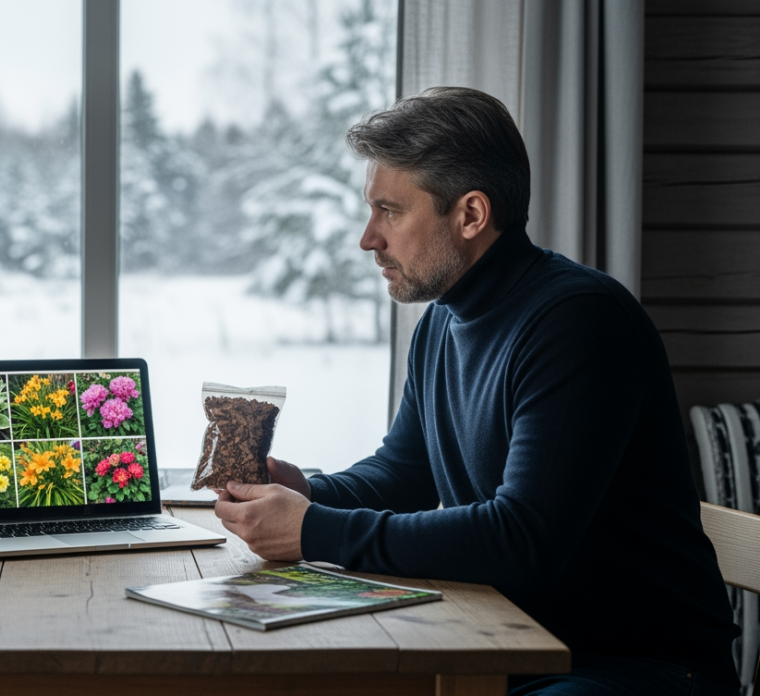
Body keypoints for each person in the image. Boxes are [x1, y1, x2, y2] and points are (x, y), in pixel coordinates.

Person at [214, 87, 741, 696]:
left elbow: (521, 539)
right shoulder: (442, 321)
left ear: (470, 215)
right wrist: (303, 491)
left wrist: (313, 529)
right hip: (502, 643)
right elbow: (404, 474)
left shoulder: (579, 321)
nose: (368, 238)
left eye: (390, 211)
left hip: (630, 668)